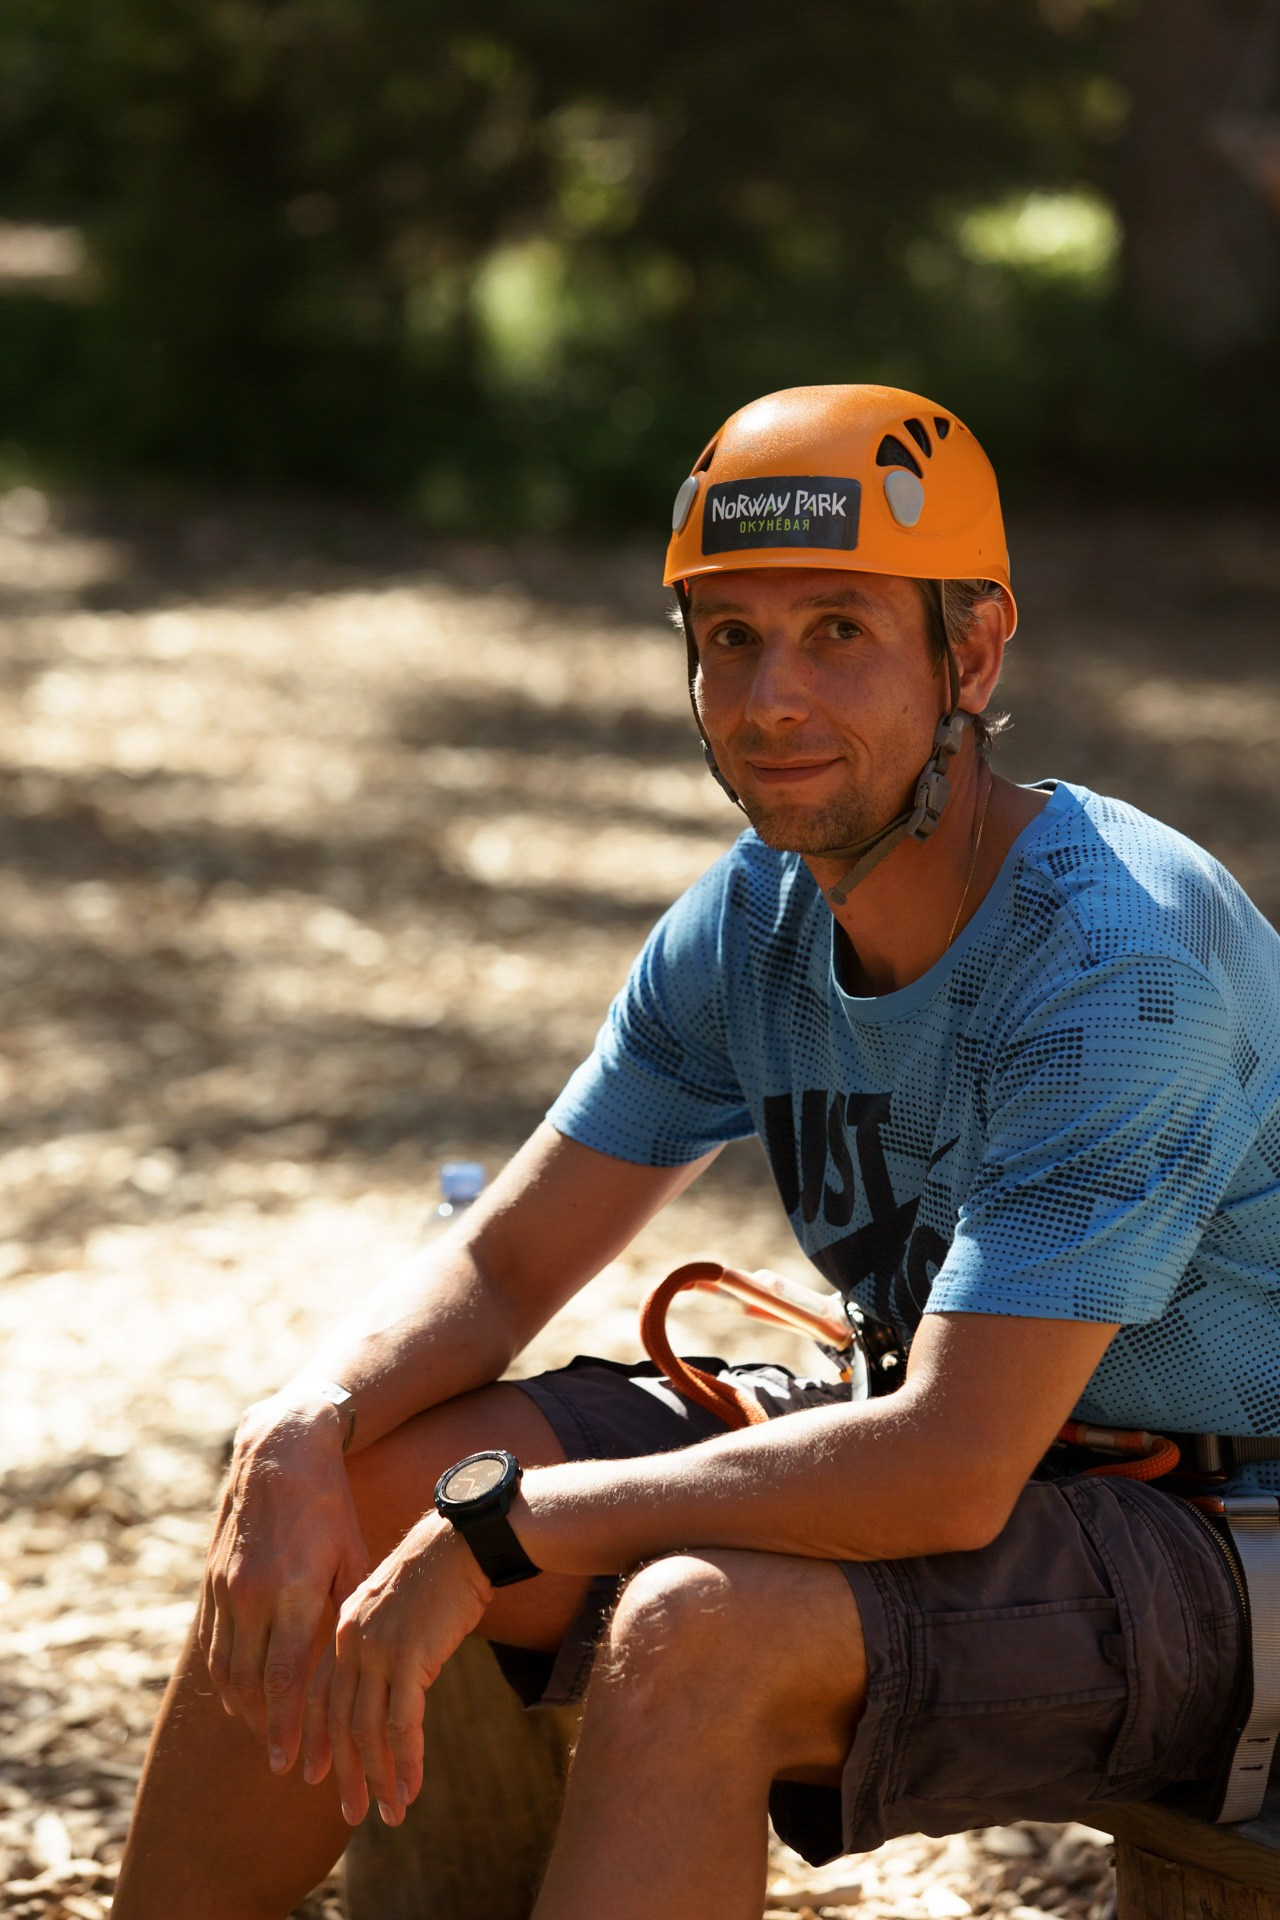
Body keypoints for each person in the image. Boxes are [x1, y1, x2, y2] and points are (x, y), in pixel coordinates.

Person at [114, 385, 1280, 1920]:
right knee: (377, 1482)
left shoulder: (1118, 962)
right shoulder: (756, 918)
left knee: (694, 1631)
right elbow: (506, 1256)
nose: (771, 698)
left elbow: (943, 1468)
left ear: (975, 651)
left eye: (840, 631)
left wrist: (508, 1530)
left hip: (1230, 1532)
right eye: (731, 638)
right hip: (1011, 1479)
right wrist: (301, 1426)